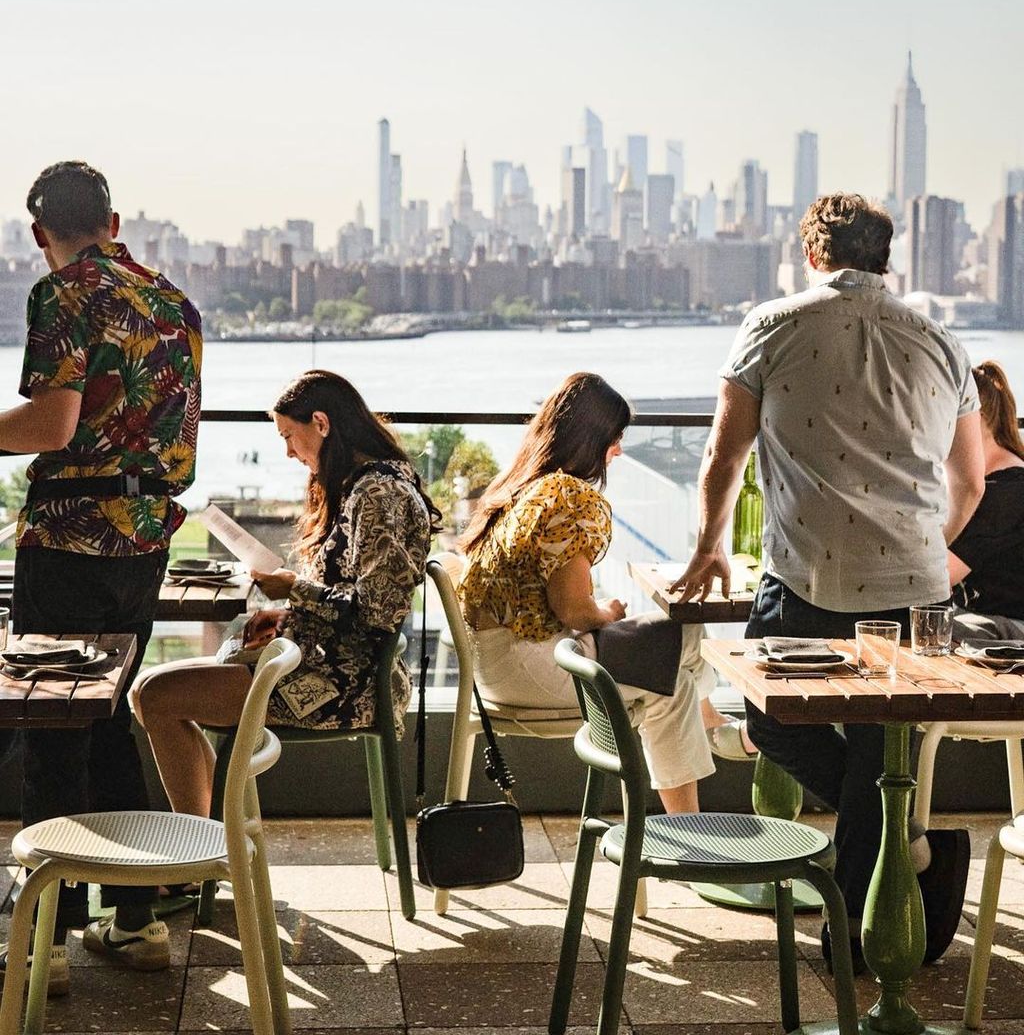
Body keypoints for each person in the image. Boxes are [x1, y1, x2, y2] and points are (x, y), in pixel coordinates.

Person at [670, 192, 985, 969]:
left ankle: (858, 927)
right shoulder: (942, 340)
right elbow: (970, 481)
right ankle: (896, 849)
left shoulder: (774, 326)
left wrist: (710, 546)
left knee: (771, 723)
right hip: (915, 586)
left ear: (813, 253)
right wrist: (921, 546)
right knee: (885, 756)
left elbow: (723, 456)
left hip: (806, 573)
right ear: (888, 257)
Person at [0, 161, 202, 988]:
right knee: (107, 713)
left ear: (40, 233)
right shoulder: (174, 302)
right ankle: (136, 919)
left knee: (51, 718)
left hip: (72, 532)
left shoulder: (64, 294)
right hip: (147, 538)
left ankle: (44, 941)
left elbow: (52, 424)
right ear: (115, 223)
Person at [132, 370, 436, 820]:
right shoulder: (360, 484)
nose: (289, 452)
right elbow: (349, 592)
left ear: (321, 423)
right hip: (319, 662)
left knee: (157, 695)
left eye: (290, 436)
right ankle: (215, 838)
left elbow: (377, 612)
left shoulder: (378, 493)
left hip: (344, 683)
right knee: (146, 692)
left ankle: (207, 848)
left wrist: (296, 589)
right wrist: (288, 611)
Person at [458, 371, 718, 815]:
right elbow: (574, 610)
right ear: (591, 438)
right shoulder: (571, 499)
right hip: (538, 668)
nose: (617, 451)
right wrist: (607, 611)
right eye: (614, 439)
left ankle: (711, 736)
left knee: (683, 656)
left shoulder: (516, 487)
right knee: (678, 670)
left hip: (495, 667)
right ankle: (694, 815)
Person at [948, 361, 1024, 641]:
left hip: (1010, 630)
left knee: (921, 625)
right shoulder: (995, 483)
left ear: (973, 419)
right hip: (987, 621)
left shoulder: (1006, 491)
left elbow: (938, 578)